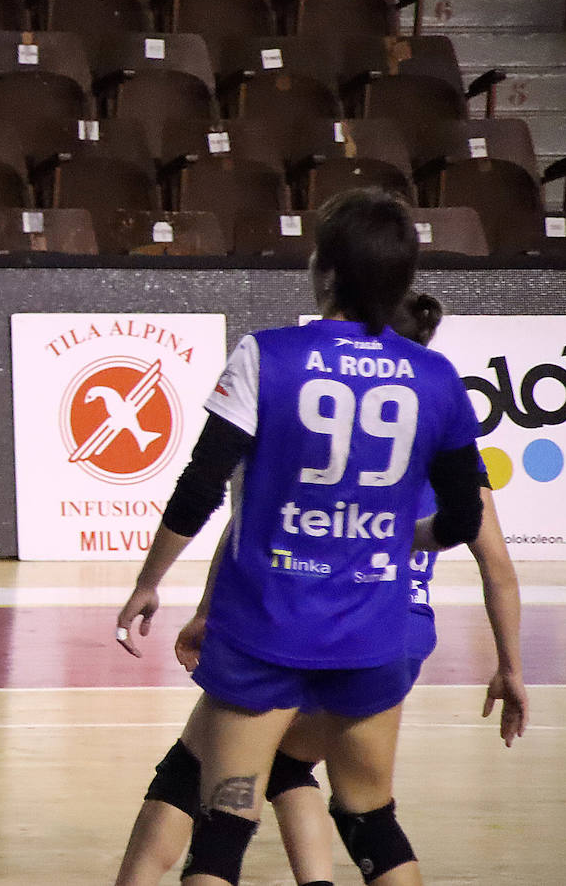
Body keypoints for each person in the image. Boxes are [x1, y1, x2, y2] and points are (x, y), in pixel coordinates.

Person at [116, 188, 490, 886]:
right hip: (374, 632)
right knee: (372, 818)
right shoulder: (436, 378)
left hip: (267, 628)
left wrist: (149, 582)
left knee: (224, 829)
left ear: (327, 270)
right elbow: (465, 523)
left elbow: (201, 487)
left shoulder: (268, 356)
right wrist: (398, 538)